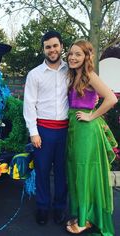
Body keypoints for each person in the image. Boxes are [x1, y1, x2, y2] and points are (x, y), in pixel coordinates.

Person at [66, 39, 118, 235]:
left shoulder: (89, 75)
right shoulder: (74, 75)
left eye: (78, 54)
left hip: (86, 131)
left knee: (84, 173)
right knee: (79, 173)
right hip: (75, 130)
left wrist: (91, 115)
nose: (73, 57)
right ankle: (84, 215)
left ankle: (84, 220)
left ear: (86, 57)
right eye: (71, 53)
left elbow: (111, 98)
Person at [23, 30, 69, 225]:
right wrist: (33, 132)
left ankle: (59, 208)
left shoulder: (71, 70)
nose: (52, 50)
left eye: (55, 45)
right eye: (48, 46)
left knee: (62, 172)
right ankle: (42, 207)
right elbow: (29, 104)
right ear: (43, 49)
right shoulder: (34, 74)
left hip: (66, 130)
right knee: (42, 171)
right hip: (43, 130)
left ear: (61, 47)